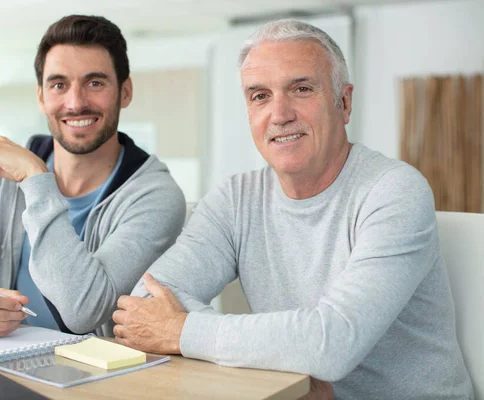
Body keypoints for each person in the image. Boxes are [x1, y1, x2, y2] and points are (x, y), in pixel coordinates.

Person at [112, 20, 473, 399]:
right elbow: (146, 303)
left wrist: (182, 331)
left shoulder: (394, 190)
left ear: (344, 102)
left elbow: (331, 344)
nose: (279, 113)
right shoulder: (236, 199)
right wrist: (285, 356)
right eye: (259, 95)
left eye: (301, 89)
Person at [0, 15, 186, 339]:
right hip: (6, 367)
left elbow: (83, 311)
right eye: (59, 85)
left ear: (124, 92)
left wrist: (36, 179)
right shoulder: (3, 178)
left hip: (97, 382)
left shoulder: (155, 196)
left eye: (95, 83)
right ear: (41, 97)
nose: (76, 102)